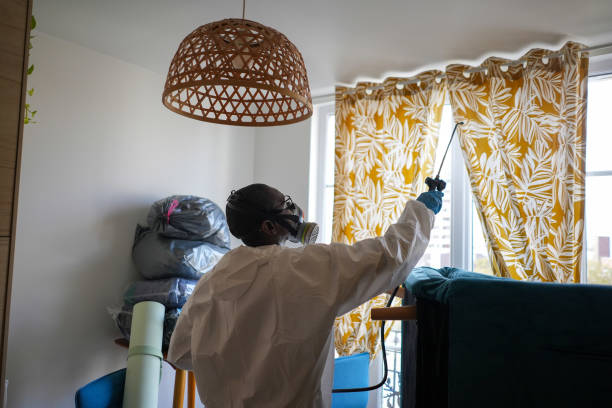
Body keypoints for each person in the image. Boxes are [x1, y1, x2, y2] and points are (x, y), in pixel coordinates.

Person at [168, 183, 443, 408]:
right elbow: (389, 257)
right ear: (269, 227)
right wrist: (422, 212)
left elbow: (180, 353)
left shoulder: (212, 280)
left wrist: (235, 364)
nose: (293, 210)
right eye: (285, 205)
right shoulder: (305, 268)